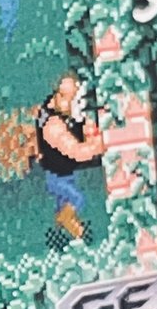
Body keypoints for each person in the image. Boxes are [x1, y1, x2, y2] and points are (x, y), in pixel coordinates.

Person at [35, 72, 105, 246]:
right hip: (55, 175)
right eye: (69, 99)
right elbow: (74, 150)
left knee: (64, 205)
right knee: (76, 200)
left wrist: (85, 126)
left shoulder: (65, 115)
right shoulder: (52, 124)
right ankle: (79, 235)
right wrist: (97, 145)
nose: (73, 105)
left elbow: (83, 131)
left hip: (66, 172)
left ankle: (66, 238)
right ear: (58, 96)